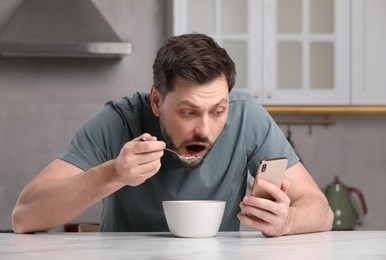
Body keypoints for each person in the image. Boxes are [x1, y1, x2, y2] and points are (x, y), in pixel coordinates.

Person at [12, 33, 333, 237]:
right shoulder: (118, 120)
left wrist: (286, 221)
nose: (205, 130)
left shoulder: (247, 115)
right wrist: (113, 173)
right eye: (188, 112)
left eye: (218, 111)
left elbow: (321, 210)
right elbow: (24, 217)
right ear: (156, 101)